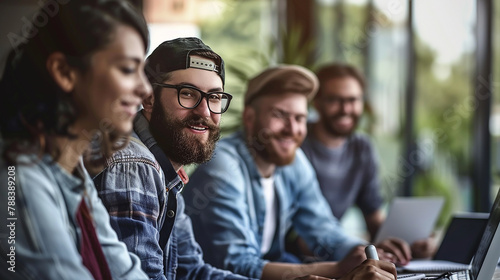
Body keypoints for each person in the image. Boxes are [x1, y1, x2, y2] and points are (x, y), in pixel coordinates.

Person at [183, 64, 398, 280]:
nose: (292, 130)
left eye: (299, 118)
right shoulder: (223, 166)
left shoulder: (293, 162)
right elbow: (236, 265)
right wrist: (339, 270)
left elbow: (323, 229)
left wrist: (363, 253)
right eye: (280, 115)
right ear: (249, 118)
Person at [0, 1, 151, 279]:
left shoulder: (73, 170)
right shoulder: (19, 179)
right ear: (65, 72)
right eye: (129, 69)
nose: (145, 88)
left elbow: (123, 270)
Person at [92, 37, 256, 280]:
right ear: (149, 98)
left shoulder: (165, 170)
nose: (204, 112)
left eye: (214, 97)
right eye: (188, 93)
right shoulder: (135, 165)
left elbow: (191, 271)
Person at [301, 63, 435, 259]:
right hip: (300, 256)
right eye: (334, 100)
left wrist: (407, 243)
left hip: (334, 251)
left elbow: (374, 220)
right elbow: (299, 235)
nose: (345, 109)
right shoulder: (296, 144)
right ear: (317, 102)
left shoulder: (362, 148)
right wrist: (354, 249)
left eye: (353, 100)